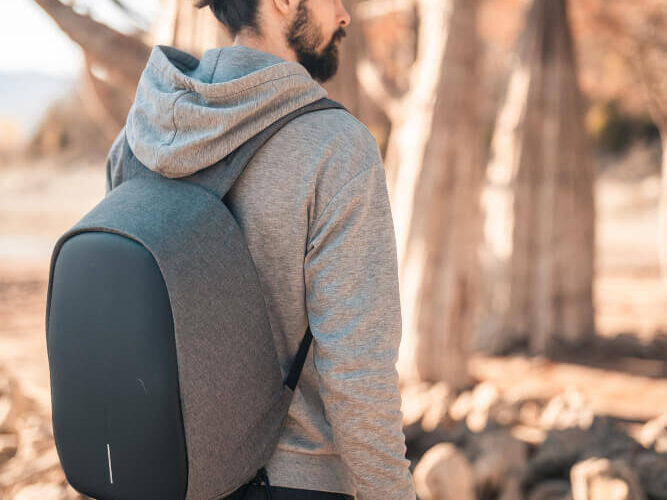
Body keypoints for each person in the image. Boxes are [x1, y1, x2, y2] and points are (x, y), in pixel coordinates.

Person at [105, 0, 417, 499]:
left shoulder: (138, 138)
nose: (345, 17)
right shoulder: (337, 147)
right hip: (292, 482)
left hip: (161, 478)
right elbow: (359, 374)